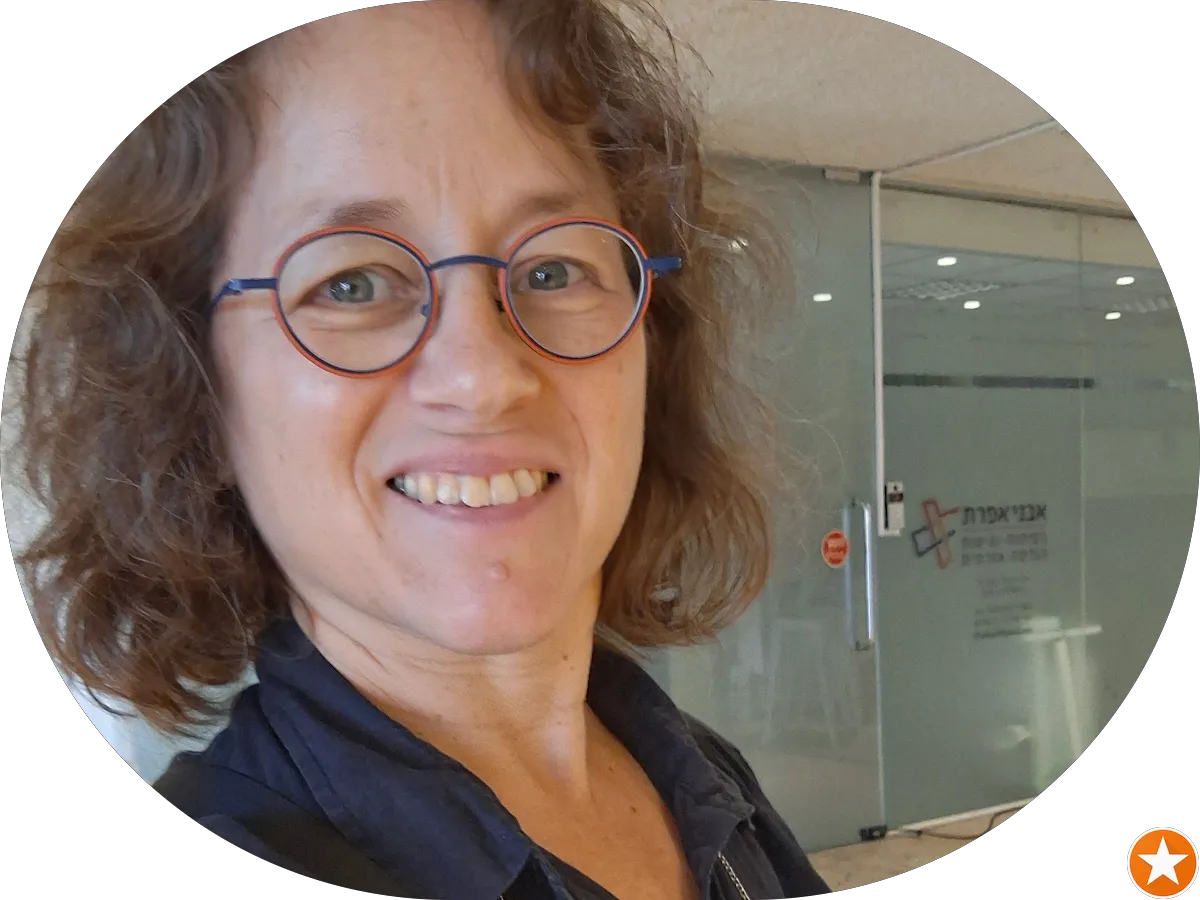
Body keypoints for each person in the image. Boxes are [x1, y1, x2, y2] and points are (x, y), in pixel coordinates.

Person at [10, 2, 829, 898]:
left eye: (552, 271)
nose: (483, 377)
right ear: (194, 385)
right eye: (352, 284)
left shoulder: (702, 776)